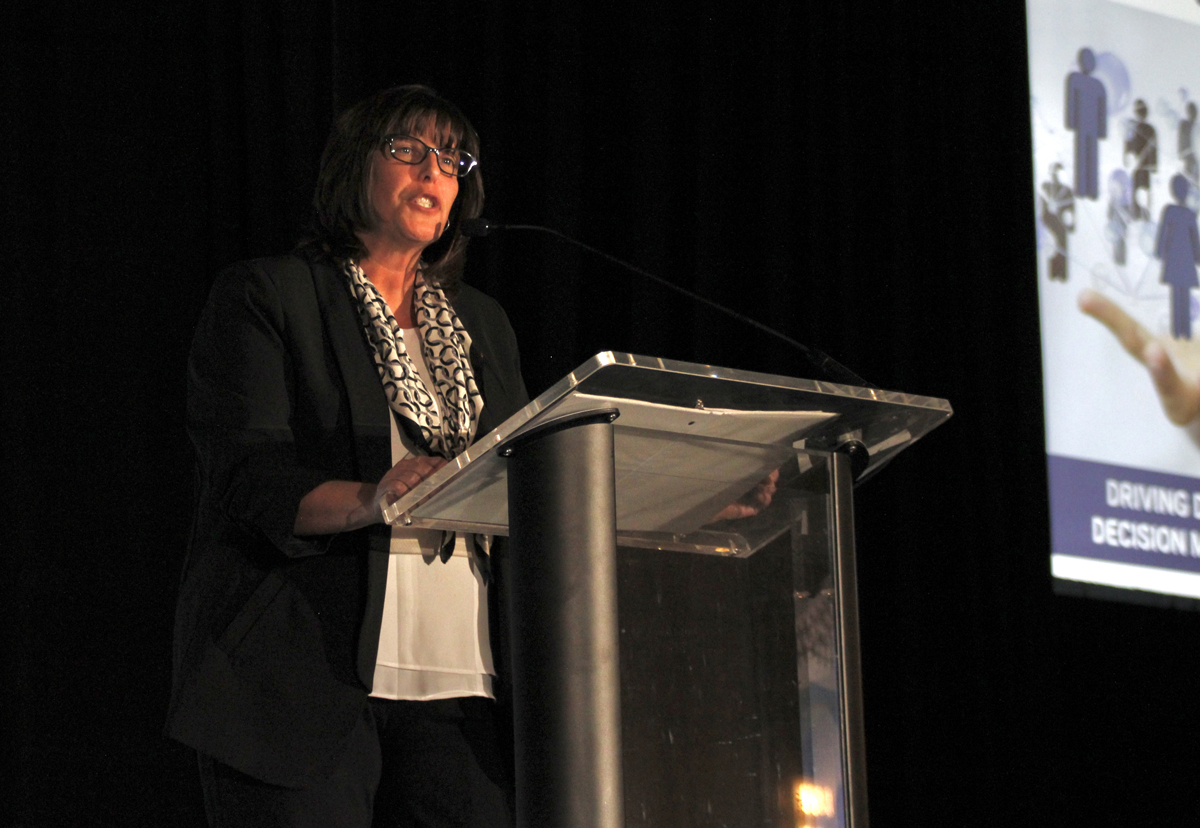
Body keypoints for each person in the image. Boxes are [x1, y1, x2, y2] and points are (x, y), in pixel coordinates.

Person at [166, 85, 530, 827]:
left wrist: (694, 496)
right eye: (408, 150)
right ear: (351, 169)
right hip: (303, 687)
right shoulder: (271, 295)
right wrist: (376, 496)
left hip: (464, 696)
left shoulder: (480, 325)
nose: (434, 172)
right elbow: (248, 479)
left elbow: (529, 475)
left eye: (452, 159)